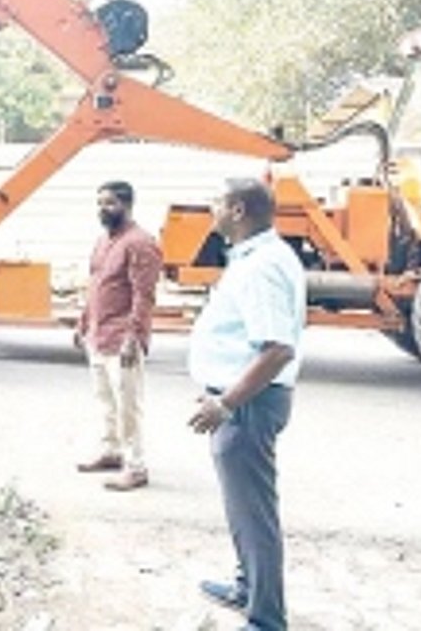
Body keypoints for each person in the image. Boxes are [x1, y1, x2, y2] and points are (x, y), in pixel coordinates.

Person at [187, 178, 305, 631]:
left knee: (254, 513)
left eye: (215, 201)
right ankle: (246, 586)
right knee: (242, 507)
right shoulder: (254, 258)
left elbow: (277, 349)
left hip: (250, 406)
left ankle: (266, 618)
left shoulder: (263, 267)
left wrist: (227, 403)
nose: (209, 207)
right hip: (239, 401)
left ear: (237, 211)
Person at [75, 180, 162, 492]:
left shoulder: (140, 243)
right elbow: (96, 283)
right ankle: (111, 452)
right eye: (100, 203)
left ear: (127, 205)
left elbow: (144, 295)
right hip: (98, 334)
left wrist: (133, 337)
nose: (103, 209)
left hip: (122, 338)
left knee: (128, 405)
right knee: (105, 402)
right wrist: (83, 321)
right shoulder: (102, 241)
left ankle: (135, 466)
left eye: (110, 203)